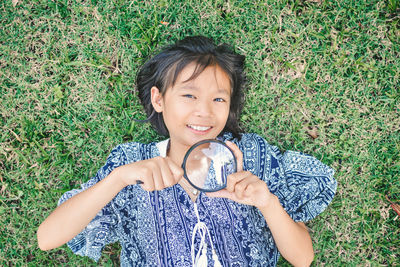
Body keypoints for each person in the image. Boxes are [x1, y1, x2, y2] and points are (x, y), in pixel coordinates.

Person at [37, 36, 337, 266]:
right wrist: (117, 179)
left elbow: (302, 258)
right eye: (189, 95)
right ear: (159, 99)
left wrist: (268, 203)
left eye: (218, 99)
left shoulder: (251, 156)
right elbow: (47, 238)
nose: (204, 112)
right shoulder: (130, 164)